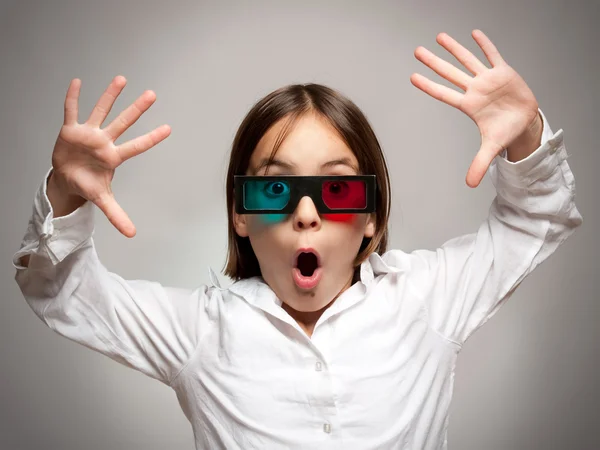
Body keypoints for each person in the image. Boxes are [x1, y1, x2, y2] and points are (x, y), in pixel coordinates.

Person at [13, 29, 582, 449]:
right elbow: (61, 289)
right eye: (275, 189)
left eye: (336, 189)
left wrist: (527, 135)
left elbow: (531, 222)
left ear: (372, 219)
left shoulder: (423, 300)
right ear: (241, 216)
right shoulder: (199, 331)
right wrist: (67, 194)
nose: (306, 212)